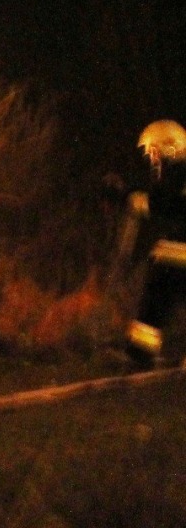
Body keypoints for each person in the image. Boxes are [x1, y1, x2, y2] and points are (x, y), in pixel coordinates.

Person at [121, 119, 186, 369]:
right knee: (158, 304)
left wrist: (131, 198)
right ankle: (141, 354)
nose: (151, 156)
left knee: (155, 303)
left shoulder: (178, 172)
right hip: (175, 252)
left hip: (177, 258)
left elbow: (167, 205)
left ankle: (140, 355)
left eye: (154, 149)